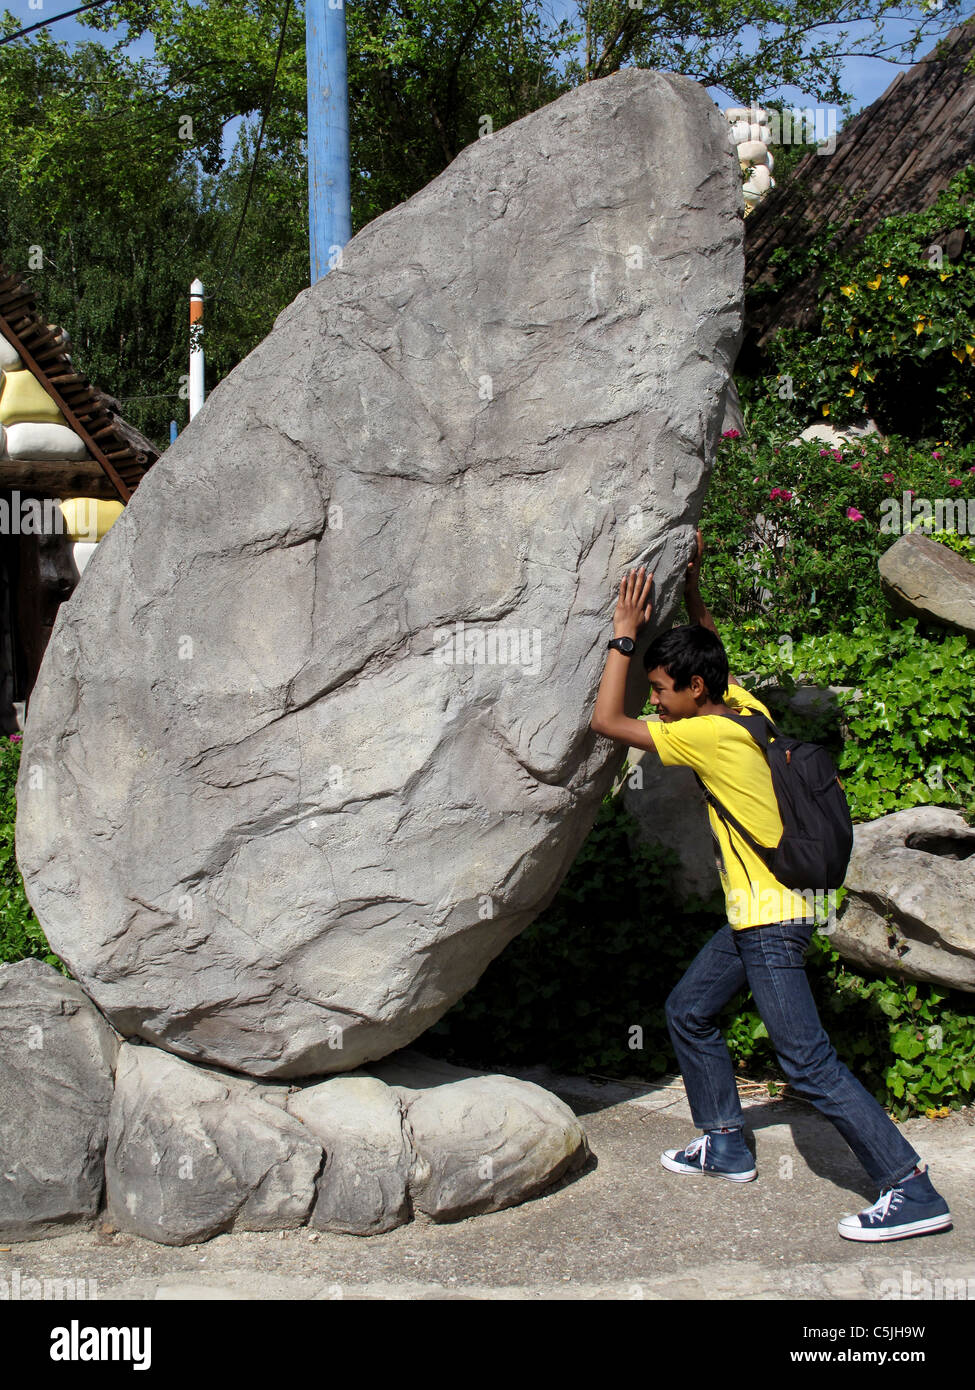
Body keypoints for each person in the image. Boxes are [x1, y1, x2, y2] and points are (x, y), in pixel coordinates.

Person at [589, 531, 953, 1242]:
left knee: (807, 1064)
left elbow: (606, 721)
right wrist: (694, 591)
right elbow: (714, 650)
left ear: (695, 691)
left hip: (770, 918)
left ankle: (909, 1188)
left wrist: (624, 637)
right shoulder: (741, 711)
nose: (657, 702)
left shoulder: (703, 733)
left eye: (663, 692)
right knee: (688, 1012)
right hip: (759, 912)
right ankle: (724, 1141)